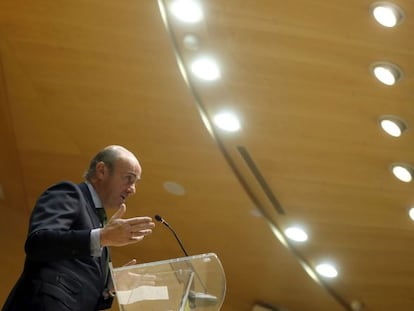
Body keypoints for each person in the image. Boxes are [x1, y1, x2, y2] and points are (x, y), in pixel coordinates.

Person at [2, 145, 155, 311]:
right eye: (128, 178)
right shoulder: (70, 193)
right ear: (102, 171)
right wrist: (102, 237)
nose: (132, 189)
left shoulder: (99, 223)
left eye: (135, 182)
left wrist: (111, 286)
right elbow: (38, 242)